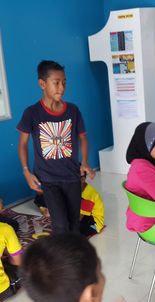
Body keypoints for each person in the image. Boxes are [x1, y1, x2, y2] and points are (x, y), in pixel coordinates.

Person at [17, 60, 95, 234]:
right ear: (42, 84)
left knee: (74, 222)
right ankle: (61, 250)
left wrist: (85, 162)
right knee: (60, 224)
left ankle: (73, 250)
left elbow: (83, 138)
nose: (62, 87)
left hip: (72, 175)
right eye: (56, 82)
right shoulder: (32, 113)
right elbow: (22, 144)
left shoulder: (73, 110)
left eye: (64, 82)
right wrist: (26, 171)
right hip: (47, 178)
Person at [80, 171, 105, 236]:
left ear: (83, 179)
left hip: (94, 223)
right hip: (85, 216)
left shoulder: (88, 195)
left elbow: (79, 217)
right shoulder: (81, 189)